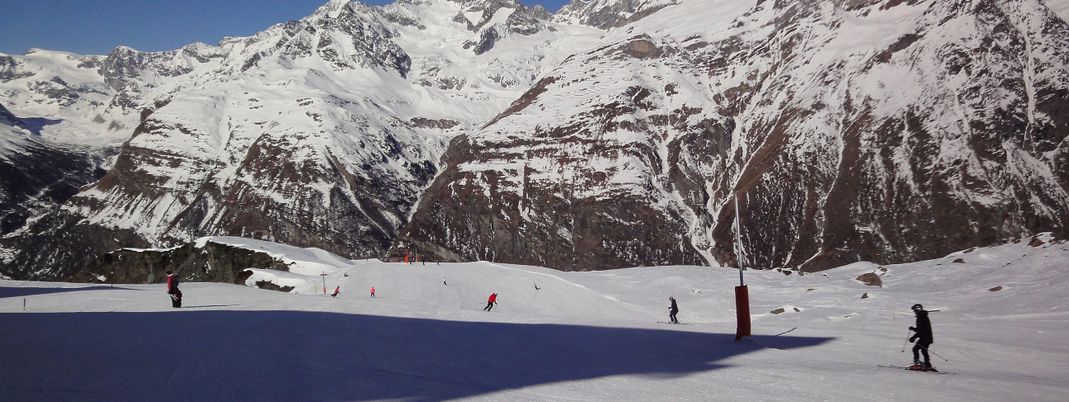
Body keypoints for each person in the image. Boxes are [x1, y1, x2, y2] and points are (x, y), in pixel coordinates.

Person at [909, 303, 934, 370]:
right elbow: (920, 329)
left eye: (914, 310)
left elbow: (921, 330)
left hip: (925, 338)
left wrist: (913, 337)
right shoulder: (922, 316)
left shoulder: (921, 317)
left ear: (917, 310)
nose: (914, 312)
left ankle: (917, 364)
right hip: (927, 338)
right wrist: (913, 329)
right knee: (924, 351)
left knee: (915, 349)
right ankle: (927, 364)